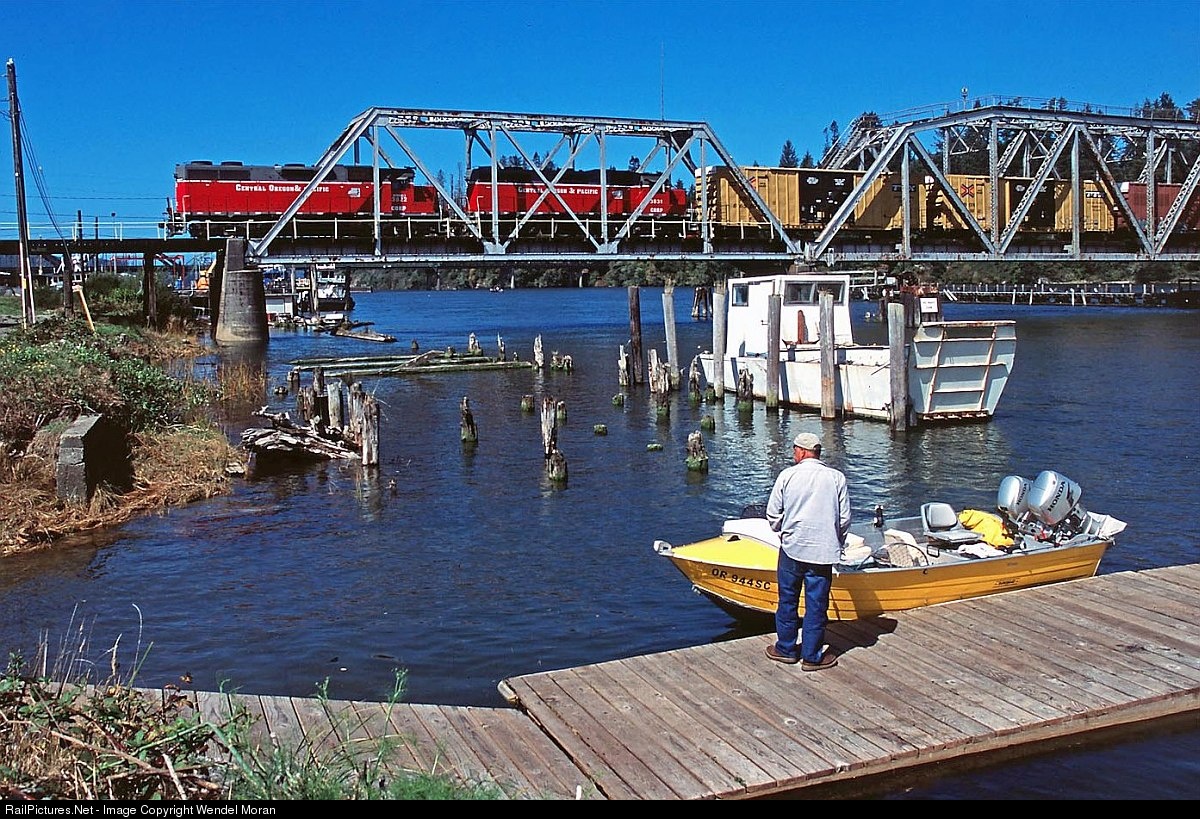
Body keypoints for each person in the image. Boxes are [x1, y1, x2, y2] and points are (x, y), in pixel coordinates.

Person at [764, 431, 851, 671]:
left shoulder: (787, 475)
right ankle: (812, 656)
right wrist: (836, 540)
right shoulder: (837, 478)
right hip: (822, 550)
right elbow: (844, 519)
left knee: (788, 599)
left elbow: (772, 513)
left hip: (792, 547)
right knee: (816, 604)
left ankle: (786, 648)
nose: (793, 454)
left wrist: (783, 530)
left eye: (794, 450)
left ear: (802, 452)